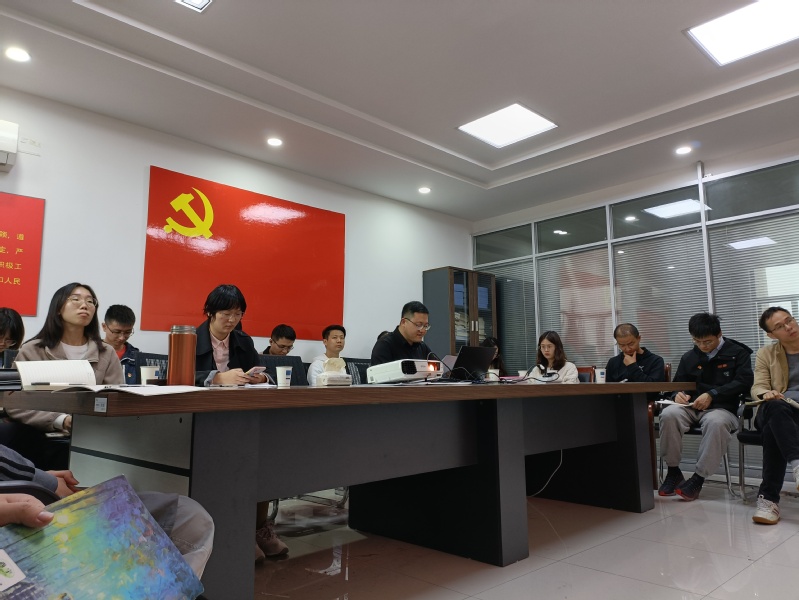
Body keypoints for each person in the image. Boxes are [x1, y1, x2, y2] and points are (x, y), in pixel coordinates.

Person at [10, 282, 214, 577]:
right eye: (75, 299)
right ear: (58, 307)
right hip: (44, 439)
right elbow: (15, 403)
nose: (85, 305)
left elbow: (118, 398)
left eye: (91, 301)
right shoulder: (33, 350)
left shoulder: (105, 352)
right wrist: (61, 420)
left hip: (98, 440)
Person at [658, 312, 753, 501]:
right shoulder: (689, 357)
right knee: (669, 414)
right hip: (692, 407)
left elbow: (744, 382)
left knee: (715, 422)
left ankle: (698, 478)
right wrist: (677, 395)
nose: (702, 346)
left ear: (719, 334)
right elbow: (678, 384)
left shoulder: (738, 353)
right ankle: (674, 471)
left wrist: (713, 394)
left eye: (707, 342)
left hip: (723, 408)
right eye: (697, 341)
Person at [750, 307, 799, 525]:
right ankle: (798, 464)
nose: (789, 327)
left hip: (791, 415)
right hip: (776, 407)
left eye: (789, 320)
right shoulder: (766, 353)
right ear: (771, 335)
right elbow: (758, 386)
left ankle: (768, 500)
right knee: (776, 408)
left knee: (774, 428)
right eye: (780, 326)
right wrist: (766, 393)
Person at [195, 284, 268, 387]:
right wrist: (217, 378)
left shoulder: (244, 341)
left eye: (238, 314)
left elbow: (264, 370)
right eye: (226, 314)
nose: (232, 320)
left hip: (236, 396)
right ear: (209, 312)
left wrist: (261, 378)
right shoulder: (190, 341)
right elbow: (177, 377)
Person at [371, 301, 433, 366]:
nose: (423, 330)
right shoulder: (385, 346)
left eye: (426, 326)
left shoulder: (422, 347)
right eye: (418, 325)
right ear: (403, 322)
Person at [102, 304, 139, 384]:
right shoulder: (92, 353)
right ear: (104, 327)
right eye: (117, 332)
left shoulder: (137, 357)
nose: (122, 337)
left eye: (127, 332)